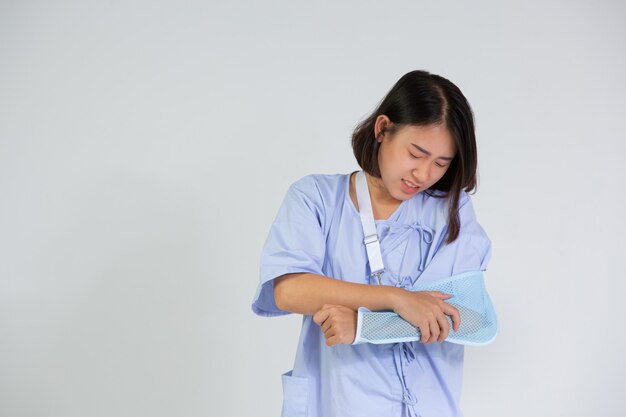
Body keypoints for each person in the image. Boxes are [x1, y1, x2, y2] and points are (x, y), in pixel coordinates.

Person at [251, 70, 493, 417]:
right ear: (382, 129)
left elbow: (468, 318)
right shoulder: (315, 198)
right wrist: (396, 298)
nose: (423, 174)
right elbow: (288, 290)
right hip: (338, 401)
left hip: (427, 403)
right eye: (416, 153)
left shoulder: (452, 212)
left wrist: (363, 326)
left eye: (441, 163)